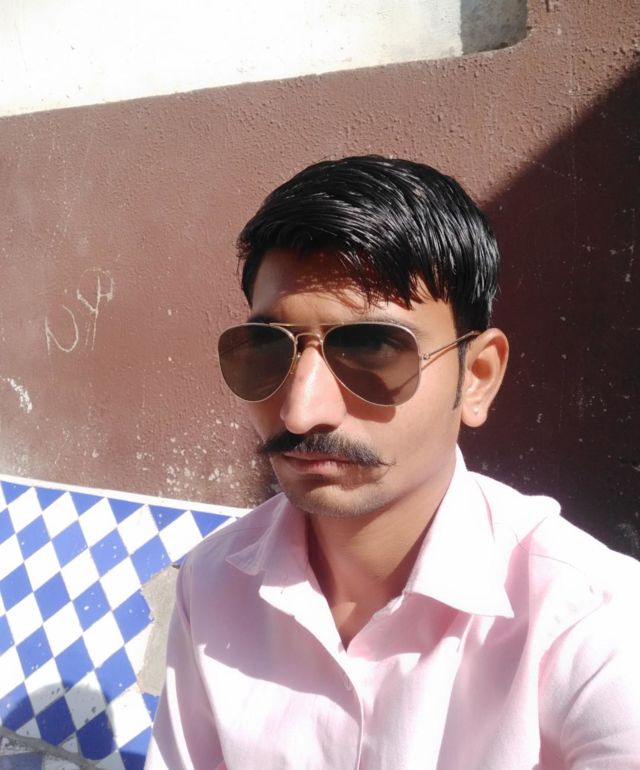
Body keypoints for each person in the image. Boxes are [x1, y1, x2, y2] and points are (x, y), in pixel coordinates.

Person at [145, 156, 640, 770]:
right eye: (268, 348)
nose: (300, 410)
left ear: (477, 377)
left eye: (374, 348)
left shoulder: (591, 621)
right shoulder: (211, 583)